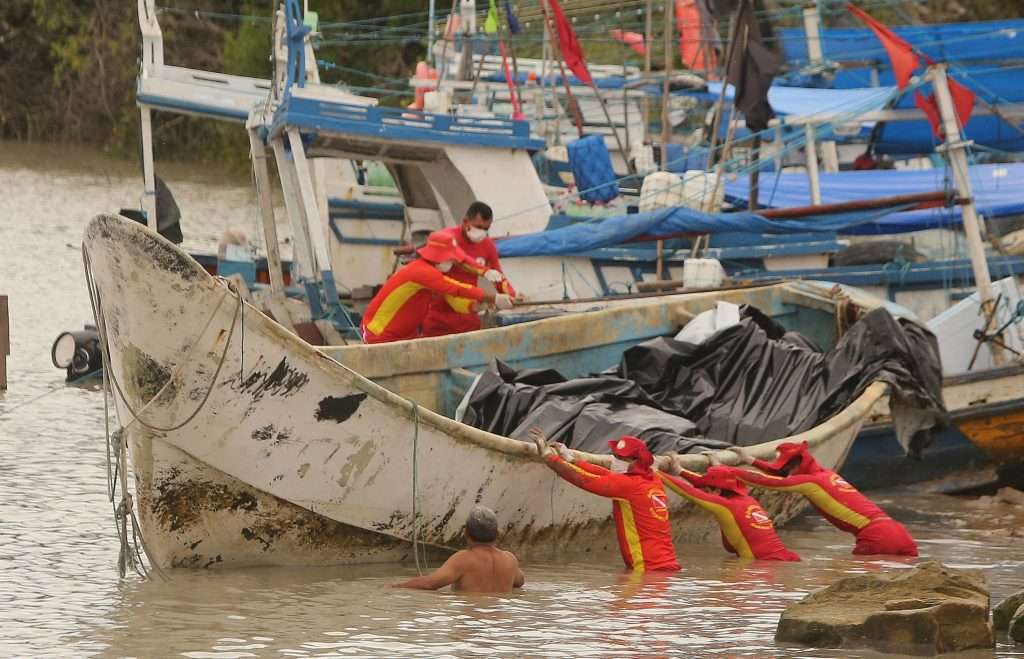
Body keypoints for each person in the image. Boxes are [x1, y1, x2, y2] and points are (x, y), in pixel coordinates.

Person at [727, 442, 918, 557]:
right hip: (899, 533)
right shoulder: (826, 474)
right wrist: (751, 460)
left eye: (788, 468)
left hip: (876, 537)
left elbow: (769, 482)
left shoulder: (811, 483)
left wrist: (724, 471)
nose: (787, 473)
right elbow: (780, 474)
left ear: (798, 464)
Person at [531, 429, 681, 572]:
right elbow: (606, 475)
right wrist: (571, 459)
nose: (615, 460)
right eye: (615, 456)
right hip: (665, 564)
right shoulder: (651, 478)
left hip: (648, 567)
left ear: (636, 460)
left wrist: (548, 456)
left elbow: (584, 479)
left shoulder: (628, 485)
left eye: (621, 458)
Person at [361, 231, 514, 343]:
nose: (453, 262)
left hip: (404, 335)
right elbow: (457, 288)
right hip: (380, 333)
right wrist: (494, 297)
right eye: (451, 258)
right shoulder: (422, 272)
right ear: (440, 257)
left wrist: (478, 306)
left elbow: (454, 299)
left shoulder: (432, 273)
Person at [658, 461, 801, 561]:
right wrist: (679, 470)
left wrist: (656, 472)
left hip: (762, 563)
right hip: (781, 557)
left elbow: (689, 492)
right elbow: (702, 483)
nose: (704, 493)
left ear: (718, 490)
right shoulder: (746, 499)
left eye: (707, 491)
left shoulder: (726, 506)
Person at [421, 201, 518, 338]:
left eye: (486, 229)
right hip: (438, 315)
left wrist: (513, 296)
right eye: (478, 227)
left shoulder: (488, 245)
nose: (482, 232)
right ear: (466, 221)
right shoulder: (446, 240)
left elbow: (498, 276)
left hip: (469, 315)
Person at [394, 505, 526, 593]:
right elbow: (520, 582)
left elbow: (430, 584)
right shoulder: (510, 560)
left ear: (465, 533)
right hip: (499, 627)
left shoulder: (463, 559)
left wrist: (396, 587)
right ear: (497, 533)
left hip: (472, 624)